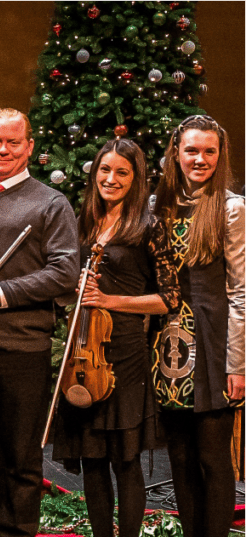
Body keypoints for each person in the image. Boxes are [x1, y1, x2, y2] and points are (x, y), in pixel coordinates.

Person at [0, 108, 79, 535]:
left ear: (29, 148)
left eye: (12, 142)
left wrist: (0, 294)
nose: (1, 150)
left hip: (22, 350)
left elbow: (64, 272)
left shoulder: (50, 203)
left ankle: (18, 531)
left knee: (21, 459)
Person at [51, 139, 179, 536]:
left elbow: (169, 299)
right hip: (83, 350)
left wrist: (110, 298)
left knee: (125, 462)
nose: (111, 178)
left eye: (122, 172)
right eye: (105, 170)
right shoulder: (85, 221)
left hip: (123, 354)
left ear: (136, 178)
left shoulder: (148, 226)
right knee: (91, 458)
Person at [151, 114, 245, 537]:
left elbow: (242, 292)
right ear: (176, 153)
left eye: (209, 150)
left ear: (219, 154)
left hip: (211, 343)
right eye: (192, 150)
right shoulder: (159, 206)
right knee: (180, 458)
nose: (200, 158)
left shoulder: (230, 208)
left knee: (211, 457)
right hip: (167, 346)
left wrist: (238, 364)